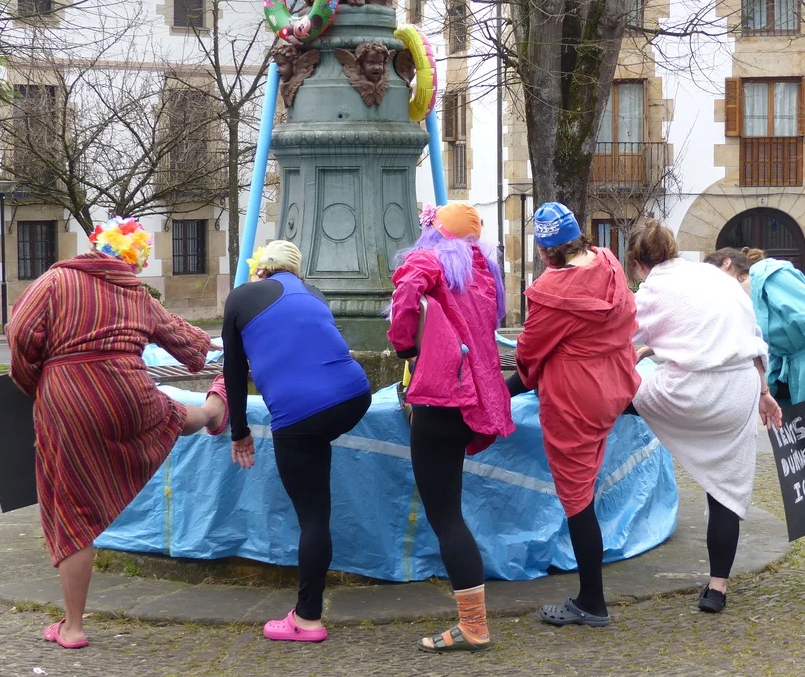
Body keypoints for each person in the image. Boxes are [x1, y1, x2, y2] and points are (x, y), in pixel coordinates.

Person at [6, 217, 228, 650]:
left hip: (69, 396)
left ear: (95, 248)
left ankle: (73, 627)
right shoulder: (136, 293)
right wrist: (225, 343)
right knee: (168, 415)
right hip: (128, 392)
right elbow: (187, 343)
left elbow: (21, 335)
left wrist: (36, 382)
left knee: (73, 512)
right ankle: (211, 412)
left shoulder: (55, 281)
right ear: (133, 261)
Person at [627, 219, 781, 613]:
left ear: (638, 263)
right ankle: (717, 588)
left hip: (693, 391)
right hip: (740, 388)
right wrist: (764, 393)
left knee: (620, 397)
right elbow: (750, 338)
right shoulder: (716, 277)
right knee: (724, 490)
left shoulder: (650, 291)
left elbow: (621, 340)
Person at [221, 240, 371, 643]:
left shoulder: (241, 296)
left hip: (301, 412)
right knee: (314, 464)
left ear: (260, 270)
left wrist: (239, 431)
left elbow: (233, 371)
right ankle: (307, 613)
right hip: (355, 395)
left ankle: (307, 619)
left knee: (313, 518)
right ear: (296, 272)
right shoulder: (314, 294)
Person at [504, 203, 639, 628]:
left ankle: (592, 602)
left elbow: (529, 355)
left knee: (577, 498)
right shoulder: (608, 262)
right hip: (614, 385)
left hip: (575, 399)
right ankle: (591, 596)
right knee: (587, 485)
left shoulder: (550, 291)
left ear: (545, 250)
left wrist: (499, 392)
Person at [704, 247, 805, 592]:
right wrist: (769, 390)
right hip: (795, 376)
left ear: (728, 265)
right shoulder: (745, 300)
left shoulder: (772, 278)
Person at [388, 202, 514, 652]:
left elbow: (406, 294)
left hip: (440, 401)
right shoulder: (483, 272)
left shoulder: (430, 260)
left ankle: (474, 626)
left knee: (446, 518)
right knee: (451, 513)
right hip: (469, 403)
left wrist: (404, 345)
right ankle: (472, 621)